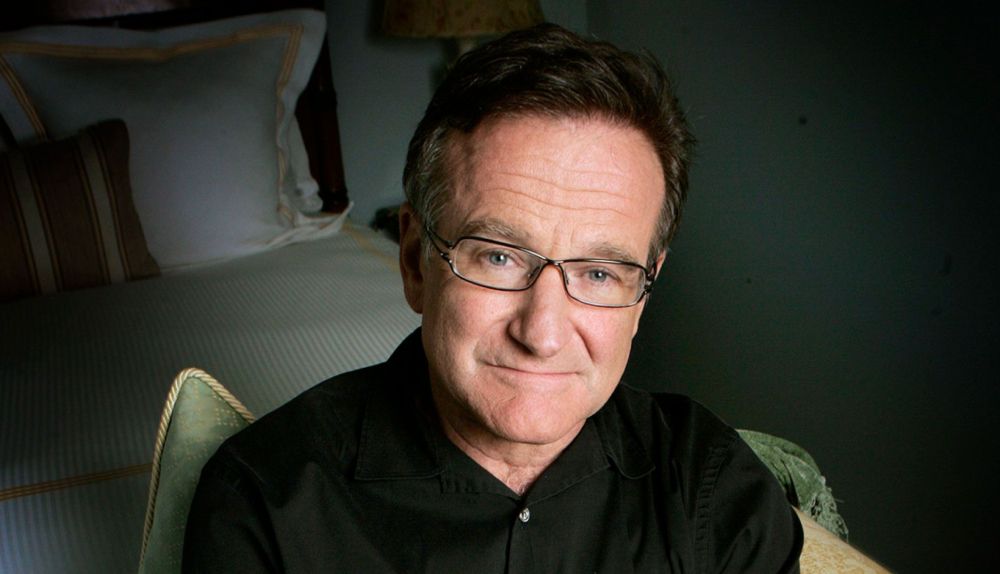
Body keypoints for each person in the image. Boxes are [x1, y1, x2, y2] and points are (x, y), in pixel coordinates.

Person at [184, 23, 802, 572]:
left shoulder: (716, 491)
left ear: (643, 293)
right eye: (499, 257)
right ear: (415, 260)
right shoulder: (265, 503)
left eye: (598, 273)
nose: (543, 334)